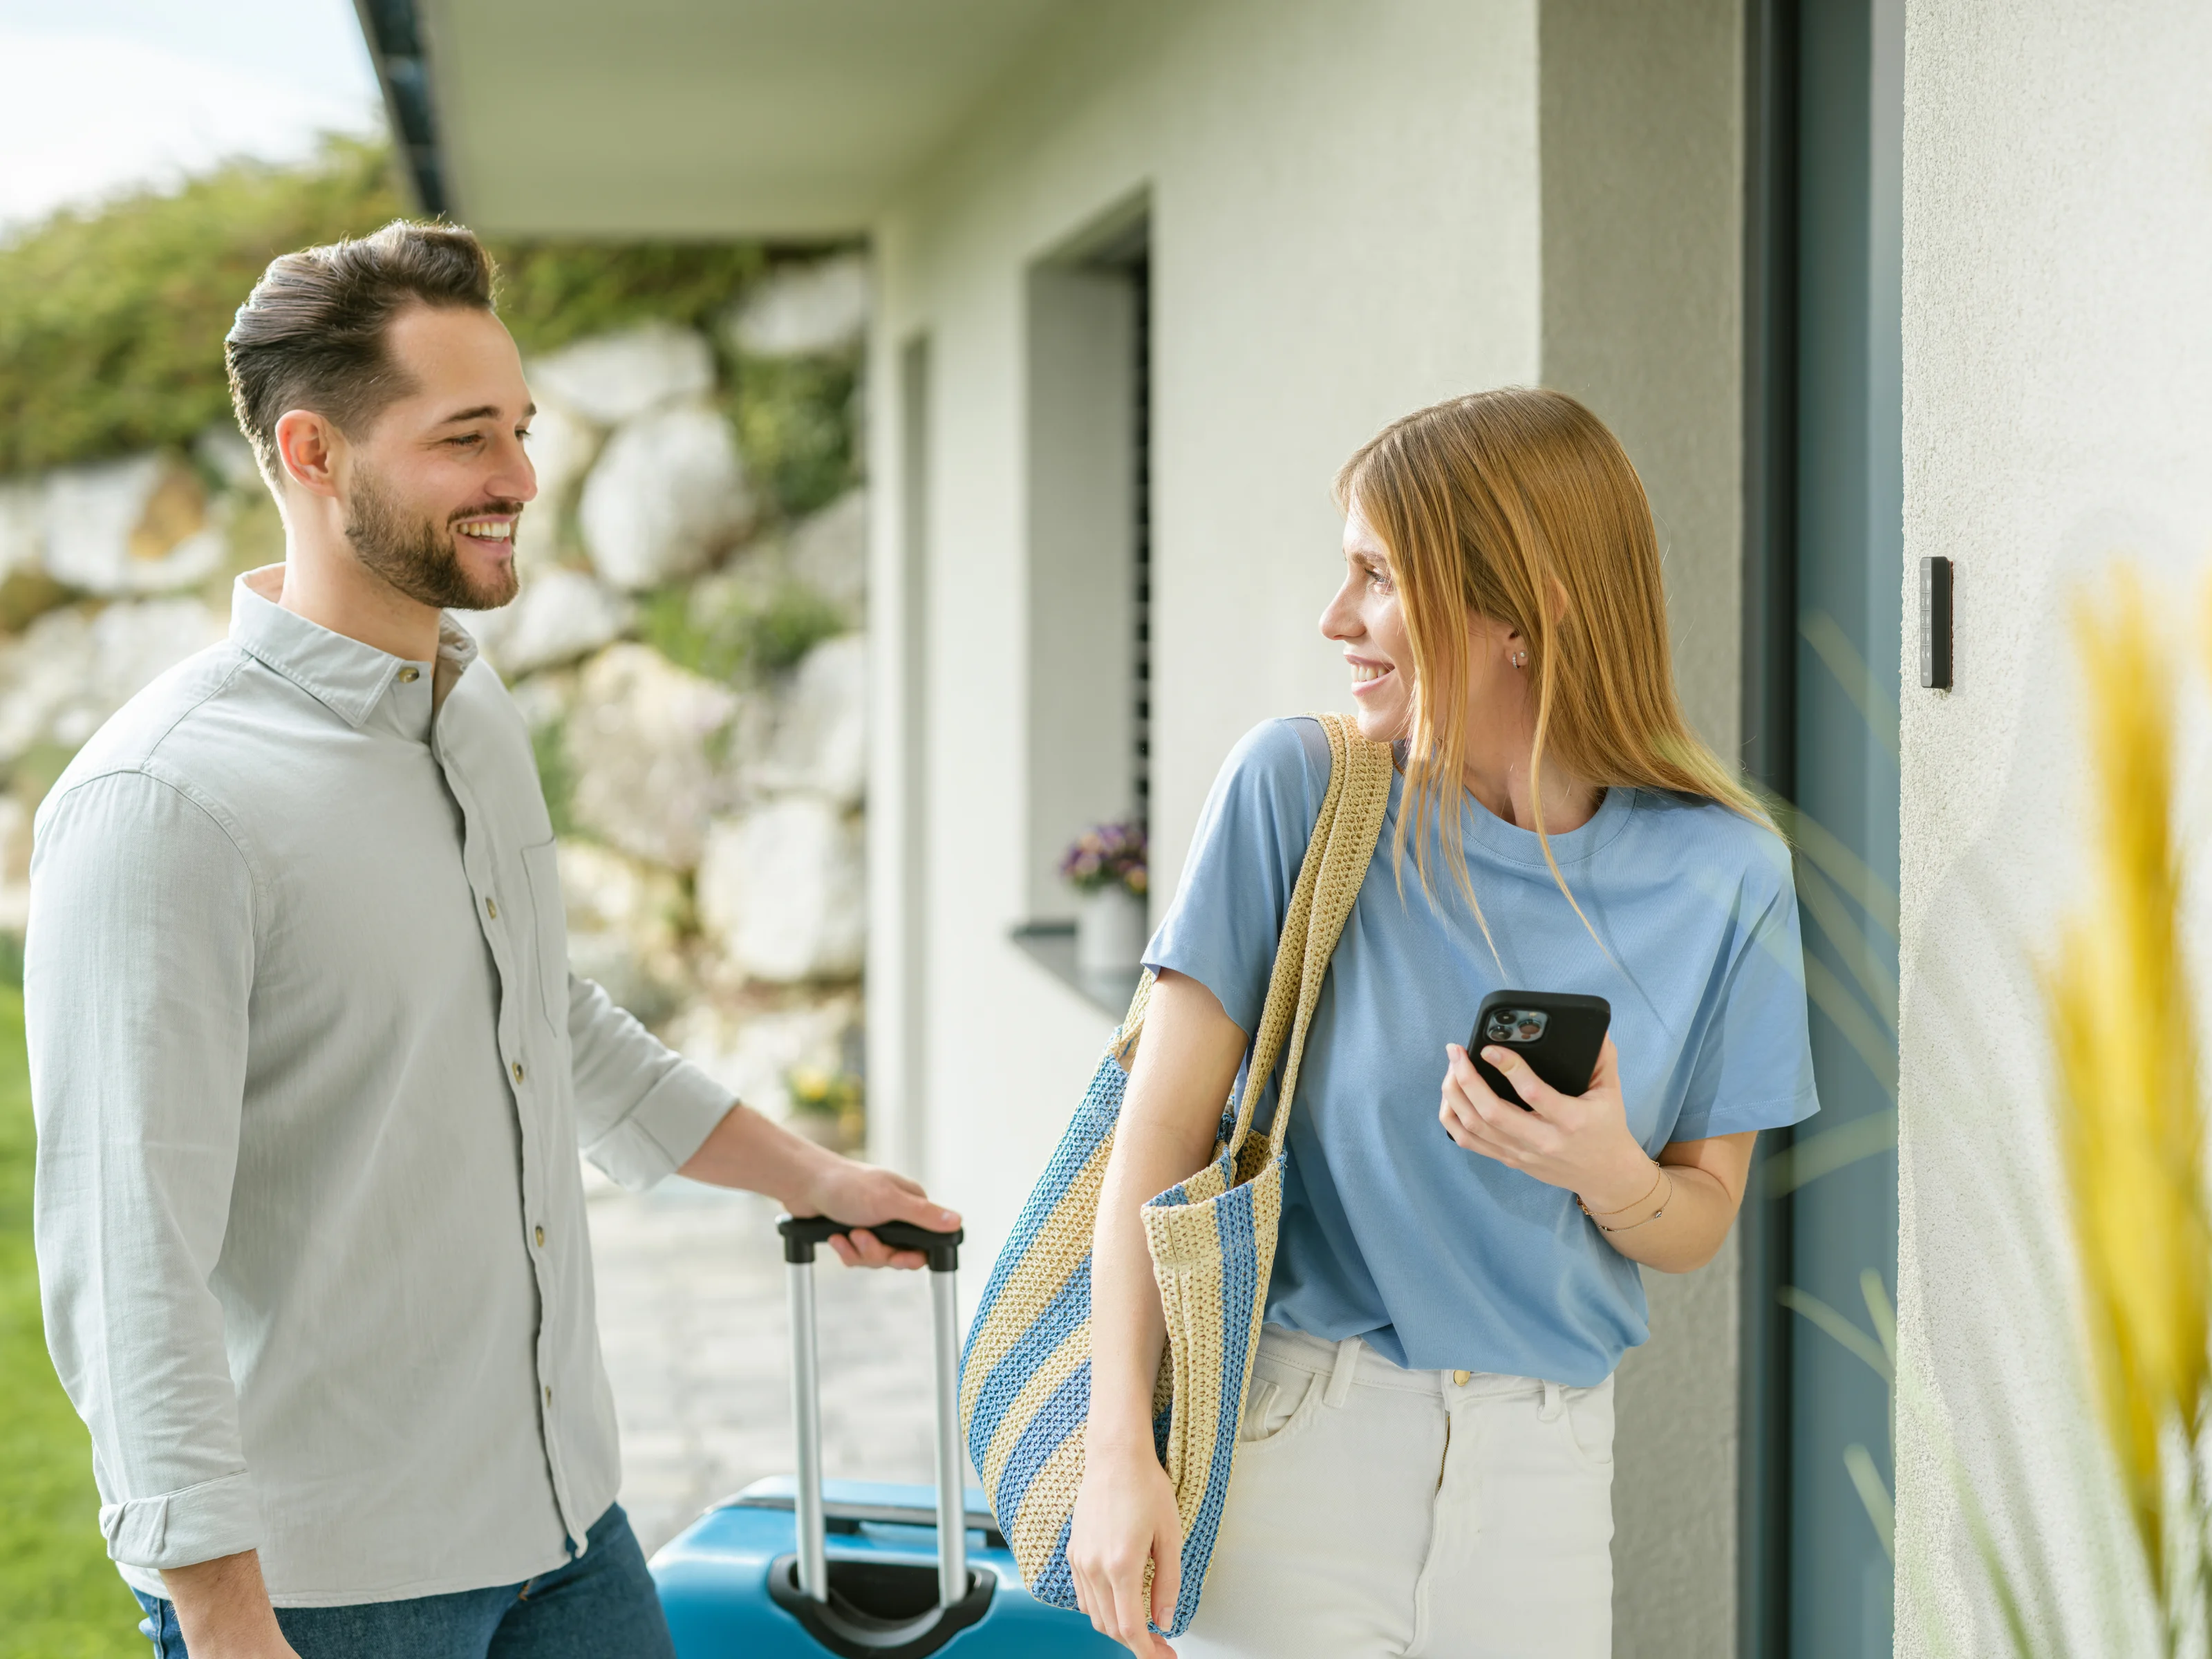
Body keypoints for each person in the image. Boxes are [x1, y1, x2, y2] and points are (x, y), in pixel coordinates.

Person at [26, 220, 957, 1659]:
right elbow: (124, 1253)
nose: (521, 477)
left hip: (565, 1527)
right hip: (330, 1594)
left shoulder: (469, 712)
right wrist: (224, 1622)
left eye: (520, 430)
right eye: (468, 438)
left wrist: (811, 1178)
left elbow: (541, 1013)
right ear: (314, 453)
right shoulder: (164, 804)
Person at [1067, 389, 1819, 1658]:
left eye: (1379, 576)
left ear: (1522, 613)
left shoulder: (1727, 876)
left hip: (1547, 1476)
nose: (1336, 618)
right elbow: (1156, 1140)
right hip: (1298, 1448)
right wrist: (1115, 1448)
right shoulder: (1301, 792)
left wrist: (1607, 1171)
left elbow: (1699, 1221)